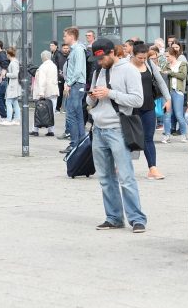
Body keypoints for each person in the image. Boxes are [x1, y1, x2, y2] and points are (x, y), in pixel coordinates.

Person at [87, 39, 148, 233]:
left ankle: (137, 219)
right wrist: (92, 96)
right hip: (98, 129)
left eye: (103, 57)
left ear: (113, 52)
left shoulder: (129, 70)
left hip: (118, 129)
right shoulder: (99, 71)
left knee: (126, 176)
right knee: (105, 178)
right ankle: (113, 217)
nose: (100, 62)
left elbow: (138, 100)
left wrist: (110, 93)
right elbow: (91, 102)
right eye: (97, 59)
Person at [130, 44, 171, 179]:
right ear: (133, 55)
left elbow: (160, 81)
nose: (142, 60)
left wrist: (168, 98)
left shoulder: (148, 64)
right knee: (129, 138)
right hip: (130, 108)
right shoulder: (126, 65)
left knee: (148, 138)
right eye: (140, 58)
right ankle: (121, 166)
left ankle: (152, 168)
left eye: (144, 57)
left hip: (148, 106)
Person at [62, 27, 87, 154]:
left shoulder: (77, 50)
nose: (64, 38)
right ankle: (81, 143)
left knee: (71, 114)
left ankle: (74, 144)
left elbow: (77, 70)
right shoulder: (75, 50)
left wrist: (69, 83)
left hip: (76, 85)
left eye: (65, 36)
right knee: (77, 114)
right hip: (76, 84)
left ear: (72, 36)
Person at [161, 48, 188, 144]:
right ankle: (167, 135)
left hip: (178, 91)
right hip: (167, 92)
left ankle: (184, 134)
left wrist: (170, 73)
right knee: (167, 114)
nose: (166, 58)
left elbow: (183, 76)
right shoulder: (166, 65)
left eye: (167, 56)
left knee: (179, 114)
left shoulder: (182, 64)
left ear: (173, 55)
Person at [31, 50, 59, 137]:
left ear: (43, 57)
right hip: (54, 91)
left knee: (39, 111)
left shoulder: (43, 67)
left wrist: (41, 93)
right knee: (52, 112)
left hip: (46, 92)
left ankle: (35, 129)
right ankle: (51, 130)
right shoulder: (54, 66)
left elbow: (42, 80)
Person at [0, 47, 21, 126]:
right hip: (15, 85)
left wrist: (6, 74)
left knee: (8, 101)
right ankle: (16, 119)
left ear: (8, 54)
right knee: (15, 102)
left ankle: (9, 119)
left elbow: (15, 75)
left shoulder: (13, 63)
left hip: (13, 85)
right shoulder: (15, 62)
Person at [55, 42, 69, 113]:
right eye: (64, 48)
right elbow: (56, 66)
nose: (66, 50)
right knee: (59, 93)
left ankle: (66, 108)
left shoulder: (71, 55)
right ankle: (57, 108)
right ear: (62, 48)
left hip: (69, 77)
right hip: (60, 77)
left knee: (68, 93)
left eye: (67, 48)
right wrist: (58, 74)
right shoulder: (58, 55)